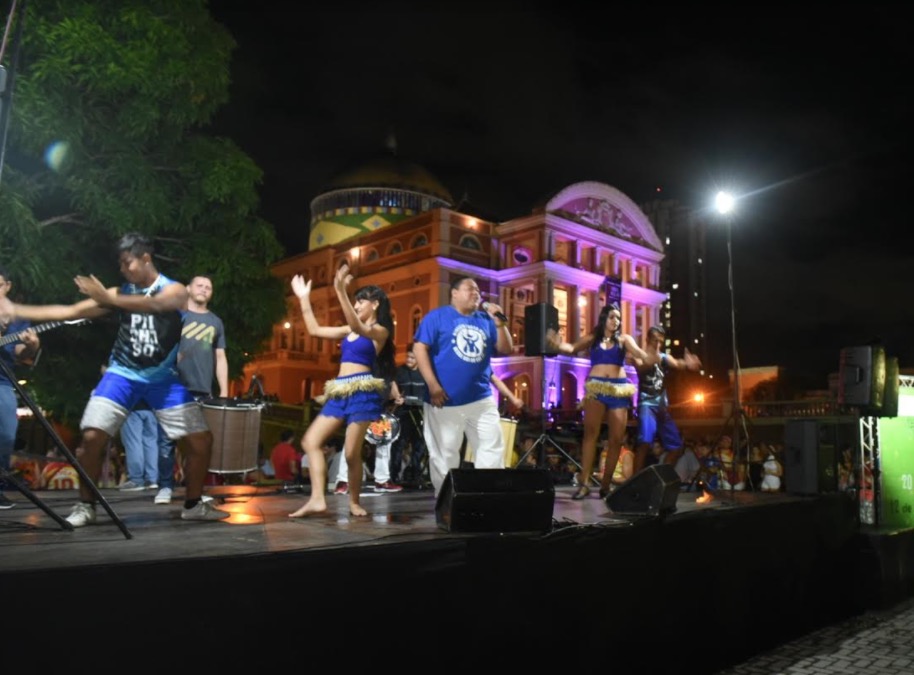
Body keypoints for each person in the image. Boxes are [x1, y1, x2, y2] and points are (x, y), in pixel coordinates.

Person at [0, 233, 230, 526]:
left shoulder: (174, 291)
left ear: (145, 259)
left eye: (126, 263)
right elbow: (70, 311)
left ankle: (194, 503)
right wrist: (17, 309)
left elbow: (156, 306)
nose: (122, 269)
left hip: (162, 377)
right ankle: (86, 506)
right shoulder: (119, 293)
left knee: (201, 441)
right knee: (91, 438)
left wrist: (109, 297)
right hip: (122, 373)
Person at [288, 263, 394, 518]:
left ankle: (354, 501)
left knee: (350, 454)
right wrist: (304, 298)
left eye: (361, 302)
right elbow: (314, 330)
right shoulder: (349, 330)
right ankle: (316, 499)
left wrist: (340, 291)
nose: (356, 306)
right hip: (339, 391)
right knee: (310, 441)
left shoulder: (380, 331)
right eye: (354, 302)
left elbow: (360, 328)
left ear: (376, 304)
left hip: (362, 391)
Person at [412, 277, 513, 496]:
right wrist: (433, 385)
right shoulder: (437, 317)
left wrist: (499, 323)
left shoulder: (486, 320)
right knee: (445, 454)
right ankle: (447, 500)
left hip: (481, 398)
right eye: (470, 289)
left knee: (491, 446)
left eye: (478, 290)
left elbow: (506, 348)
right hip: (445, 399)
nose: (476, 293)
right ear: (454, 293)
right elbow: (420, 349)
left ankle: (489, 497)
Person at [546, 302, 657, 500]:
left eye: (619, 318)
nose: (616, 321)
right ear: (604, 318)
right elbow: (571, 347)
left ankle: (605, 486)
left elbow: (640, 354)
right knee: (590, 435)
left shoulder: (624, 339)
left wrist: (649, 355)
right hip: (596, 387)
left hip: (618, 389)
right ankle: (585, 483)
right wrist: (557, 344)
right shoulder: (594, 338)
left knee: (615, 439)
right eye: (612, 317)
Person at [154, 274, 228, 505]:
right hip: (172, 387)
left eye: (209, 287)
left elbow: (220, 357)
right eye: (200, 285)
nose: (204, 289)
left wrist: (224, 391)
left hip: (202, 390)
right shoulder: (176, 316)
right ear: (188, 288)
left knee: (198, 445)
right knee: (166, 440)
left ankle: (193, 491)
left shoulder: (216, 322)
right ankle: (165, 487)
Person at [629, 324, 701, 474]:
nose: (658, 344)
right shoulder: (639, 355)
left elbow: (677, 363)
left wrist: (687, 364)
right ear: (647, 339)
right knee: (645, 442)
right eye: (655, 340)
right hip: (646, 405)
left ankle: (660, 478)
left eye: (661, 341)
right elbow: (641, 366)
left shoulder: (663, 357)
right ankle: (634, 481)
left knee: (676, 447)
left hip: (662, 407)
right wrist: (653, 358)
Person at [0, 266, 40, 509]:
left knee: (6, 432)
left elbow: (22, 355)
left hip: (2, 379)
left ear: (7, 286)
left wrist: (32, 346)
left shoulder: (15, 317)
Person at [391, 343, 429, 487]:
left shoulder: (425, 372)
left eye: (412, 358)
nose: (409, 360)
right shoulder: (399, 372)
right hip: (404, 413)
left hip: (420, 413)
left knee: (419, 446)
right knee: (399, 445)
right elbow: (393, 385)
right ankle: (394, 477)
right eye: (408, 357)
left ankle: (415, 475)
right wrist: (396, 396)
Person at [117, 403, 167, 491]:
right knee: (151, 444)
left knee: (133, 443)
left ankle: (136, 480)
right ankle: (152, 479)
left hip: (132, 408)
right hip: (152, 409)